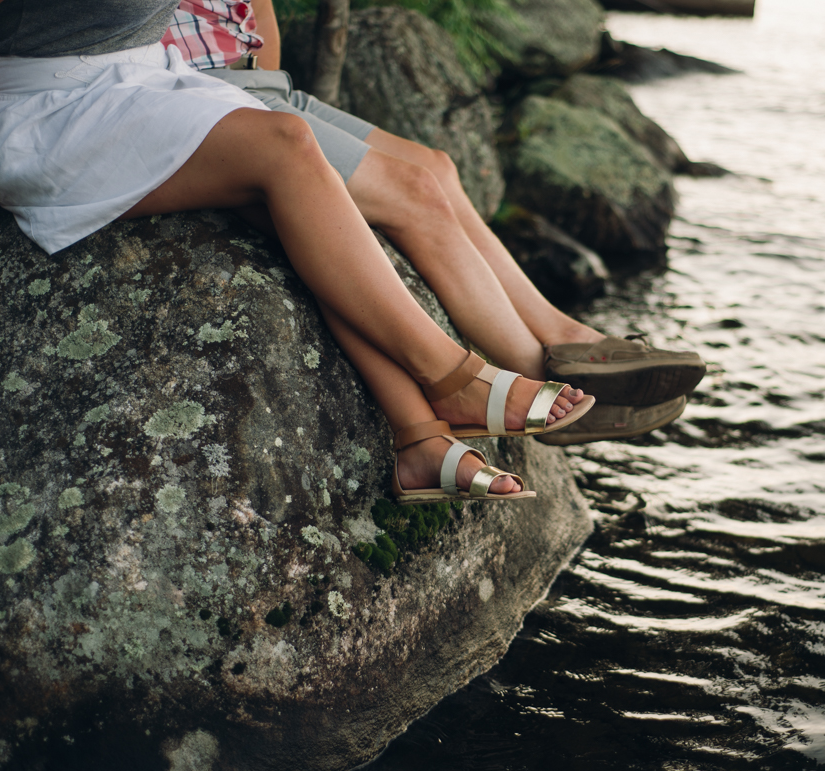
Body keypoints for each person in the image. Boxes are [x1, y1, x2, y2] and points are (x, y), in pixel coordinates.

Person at [0, 0, 597, 505]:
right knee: (286, 147)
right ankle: (452, 375)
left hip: (149, 82)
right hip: (47, 109)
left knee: (294, 211)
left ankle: (419, 440)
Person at [160, 0, 706, 444]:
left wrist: (271, 81)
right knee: (414, 193)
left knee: (437, 167)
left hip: (264, 84)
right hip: (204, 94)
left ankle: (567, 335)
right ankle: (543, 374)